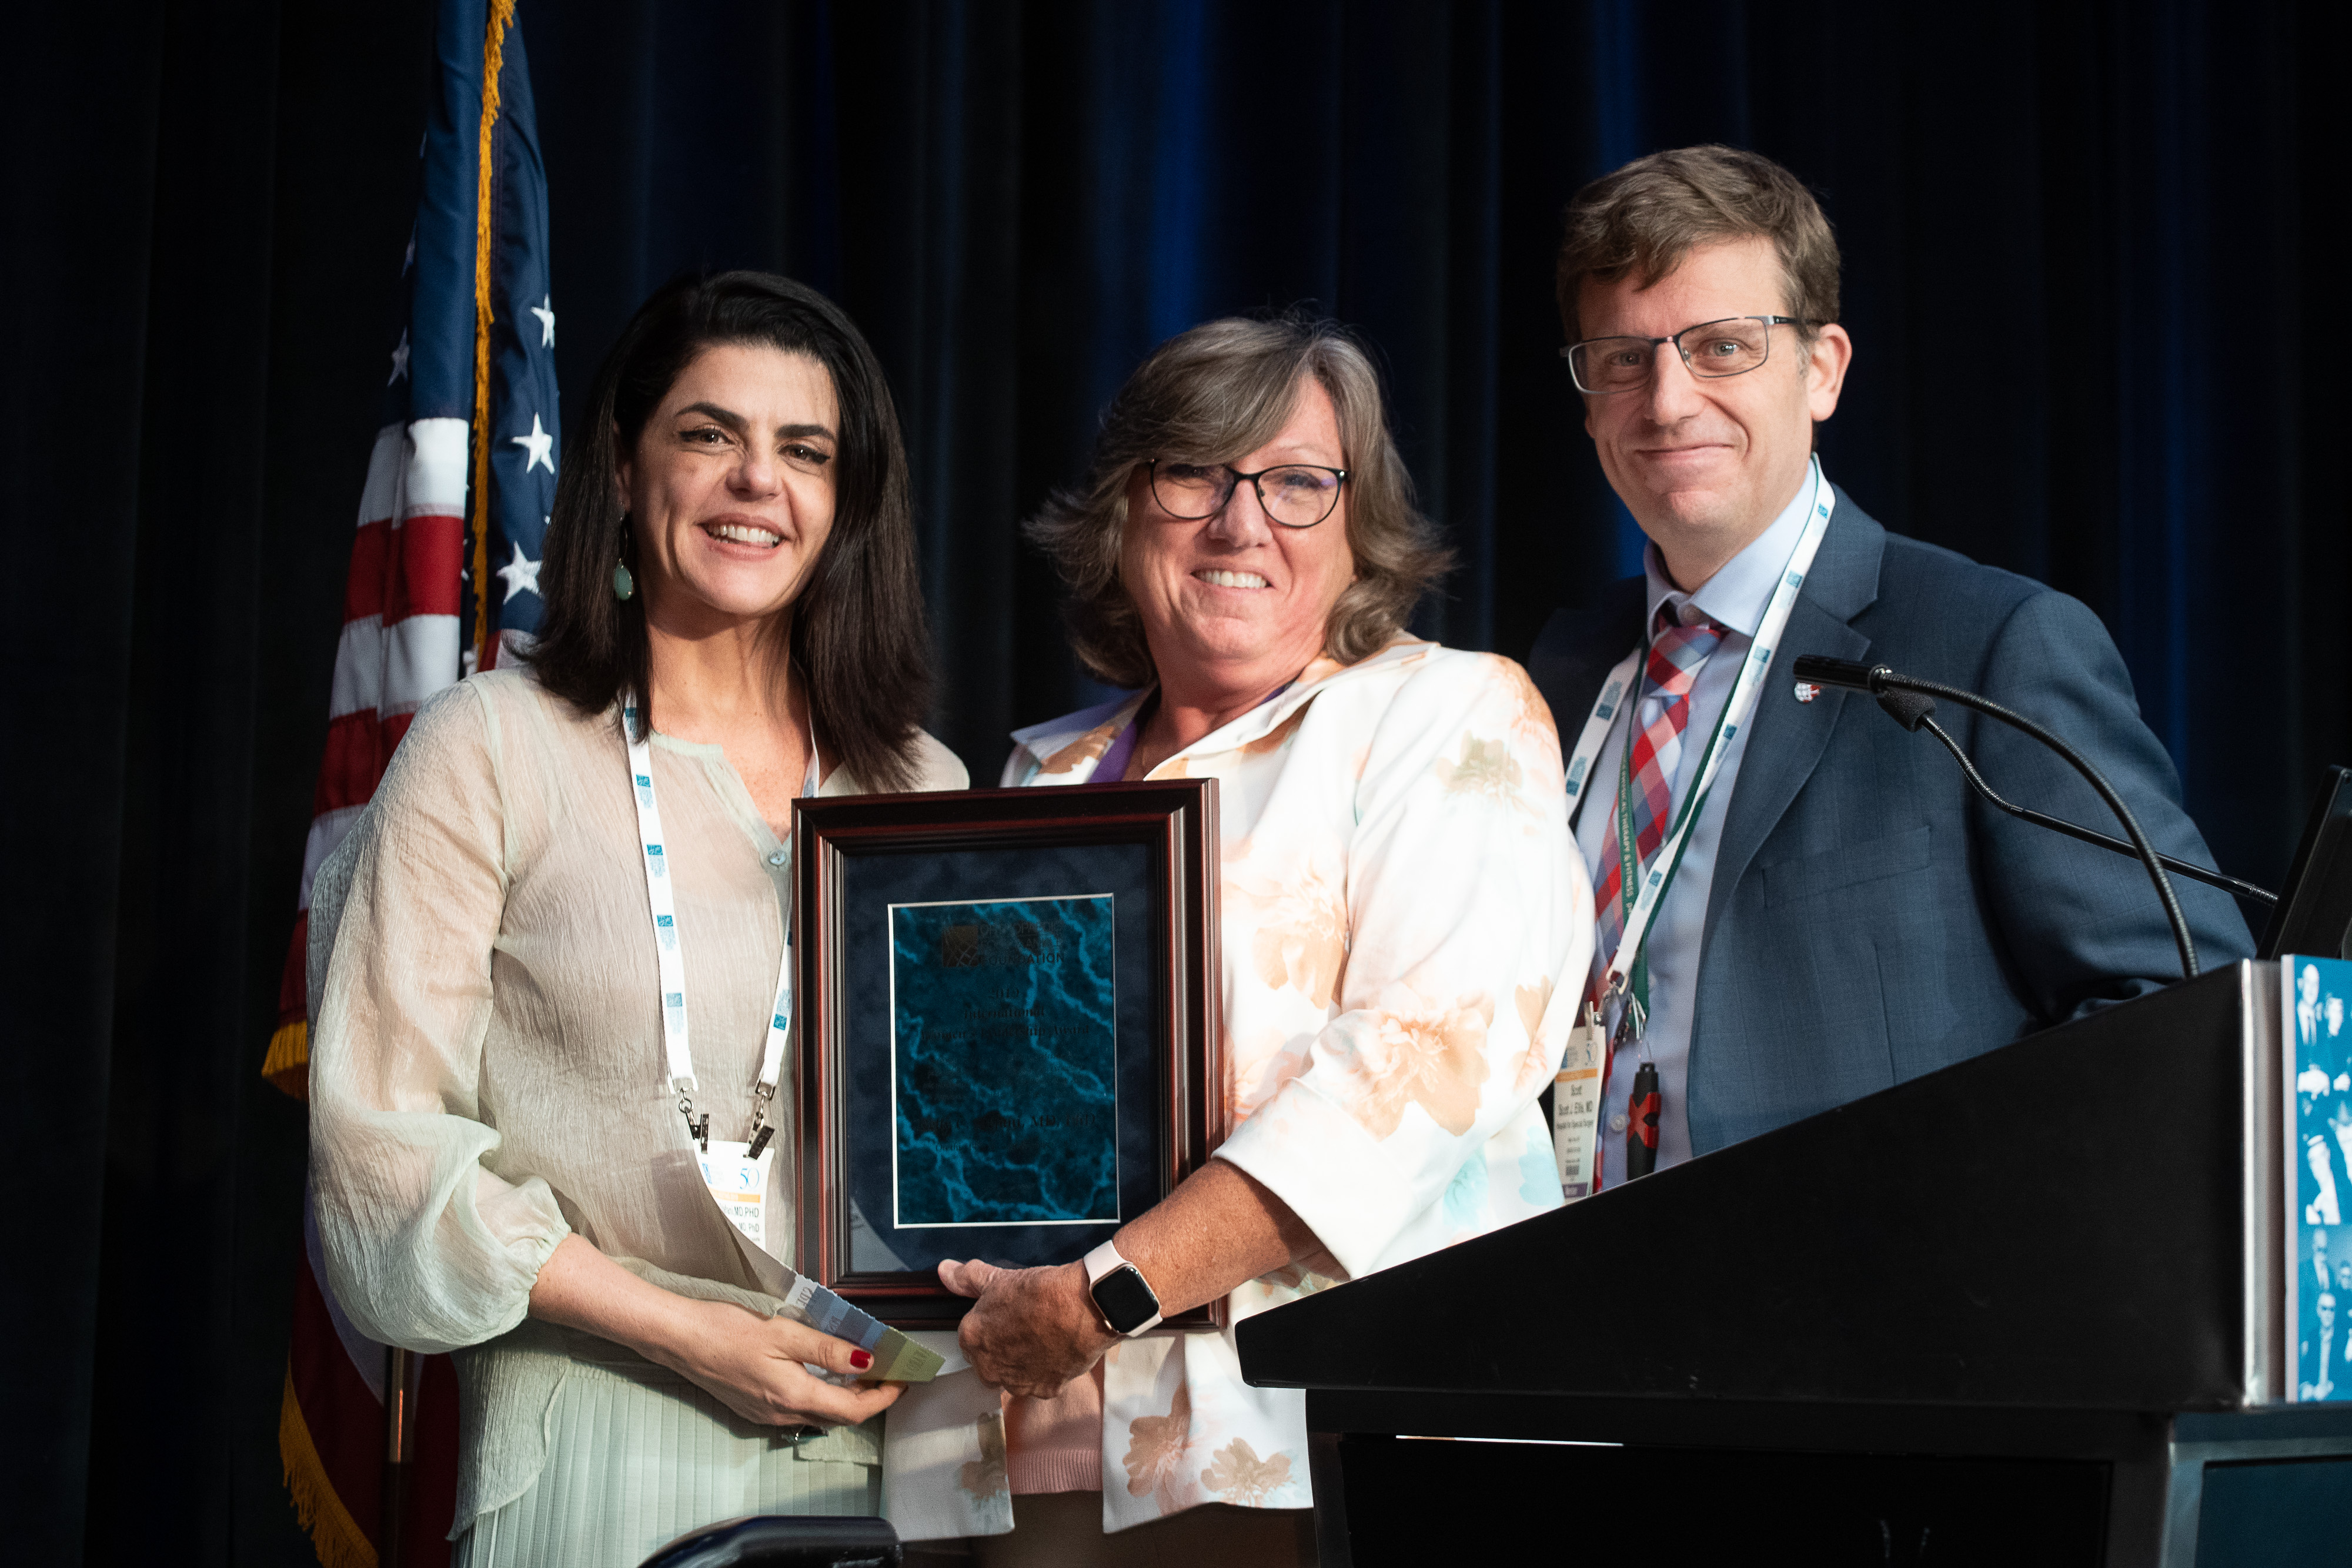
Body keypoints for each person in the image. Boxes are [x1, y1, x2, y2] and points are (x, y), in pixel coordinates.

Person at [306, 271, 968, 1567]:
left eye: (804, 451)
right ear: (623, 464)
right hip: (598, 1433)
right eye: (708, 434)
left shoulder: (923, 786)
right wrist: (685, 1328)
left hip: (893, 1447)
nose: (754, 482)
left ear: (845, 505)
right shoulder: (490, 746)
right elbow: (380, 1147)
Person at [929, 316, 1591, 1562]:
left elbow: (1414, 1062)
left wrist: (1108, 1289)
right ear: (1125, 510)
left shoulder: (1447, 713)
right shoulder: (1037, 771)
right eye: (1193, 472)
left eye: (1296, 481)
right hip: (1031, 1429)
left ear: (1357, 523)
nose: (1241, 522)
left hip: (1319, 1439)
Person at [1524, 146, 2254, 1193]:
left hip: (1869, 1325)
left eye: (1722, 347)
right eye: (1624, 358)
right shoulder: (1556, 672)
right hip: (1543, 1320)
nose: (1668, 400)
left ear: (1822, 370)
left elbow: (2184, 1010)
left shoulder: (1990, 645)